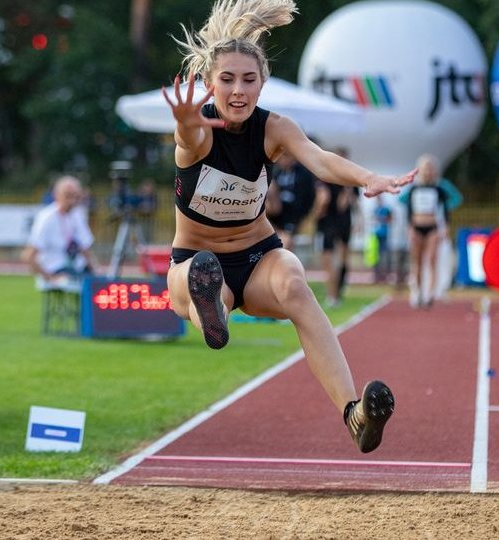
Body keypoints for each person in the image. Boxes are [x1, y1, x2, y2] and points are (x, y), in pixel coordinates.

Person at [162, 0, 415, 453]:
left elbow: (319, 160)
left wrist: (368, 178)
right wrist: (184, 122)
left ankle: (354, 414)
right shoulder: (198, 132)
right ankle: (210, 308)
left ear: (263, 83)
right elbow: (188, 139)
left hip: (258, 257)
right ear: (208, 84)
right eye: (227, 79)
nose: (238, 90)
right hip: (197, 260)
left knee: (296, 284)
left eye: (248, 79)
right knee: (201, 280)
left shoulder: (274, 129)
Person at [22, 175, 97, 288]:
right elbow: (29, 256)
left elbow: (85, 248)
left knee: (99, 285)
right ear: (56, 195)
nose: (72, 201)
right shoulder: (47, 218)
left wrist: (97, 272)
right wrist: (50, 277)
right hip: (56, 269)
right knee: (80, 283)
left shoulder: (78, 214)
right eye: (68, 196)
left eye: (76, 197)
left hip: (76, 268)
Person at [314, 147, 357, 308]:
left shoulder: (346, 179)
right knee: (335, 260)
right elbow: (326, 201)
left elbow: (344, 204)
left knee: (333, 260)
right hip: (333, 222)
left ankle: (334, 295)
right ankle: (335, 294)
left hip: (337, 223)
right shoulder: (328, 177)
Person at [406, 154, 448, 308]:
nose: (428, 171)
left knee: (431, 259)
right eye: (425, 168)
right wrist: (410, 228)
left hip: (432, 228)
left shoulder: (438, 190)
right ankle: (417, 292)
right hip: (417, 226)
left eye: (430, 168)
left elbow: (445, 211)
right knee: (416, 261)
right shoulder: (413, 189)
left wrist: (445, 229)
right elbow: (409, 211)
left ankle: (429, 294)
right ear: (420, 170)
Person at [266, 151, 315, 249]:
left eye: (286, 157)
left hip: (293, 215)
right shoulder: (276, 172)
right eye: (281, 158)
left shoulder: (303, 174)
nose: (283, 161)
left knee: (285, 242)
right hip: (276, 215)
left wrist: (303, 216)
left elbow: (309, 197)